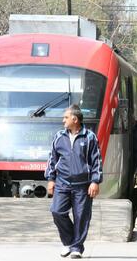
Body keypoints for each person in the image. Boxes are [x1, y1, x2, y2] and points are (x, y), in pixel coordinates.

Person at [45, 104, 103, 259]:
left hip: (83, 185)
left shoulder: (90, 137)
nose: (63, 120)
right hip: (62, 182)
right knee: (57, 211)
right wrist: (51, 179)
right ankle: (69, 242)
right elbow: (52, 159)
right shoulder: (59, 136)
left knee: (81, 217)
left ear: (75, 119)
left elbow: (96, 161)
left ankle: (76, 248)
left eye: (66, 117)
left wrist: (95, 181)